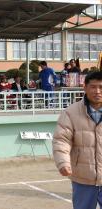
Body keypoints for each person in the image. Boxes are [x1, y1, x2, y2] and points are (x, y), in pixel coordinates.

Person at [53, 71, 102, 209]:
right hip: (82, 177)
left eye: (101, 87)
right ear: (85, 88)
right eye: (93, 87)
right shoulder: (70, 112)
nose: (97, 91)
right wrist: (63, 162)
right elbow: (61, 140)